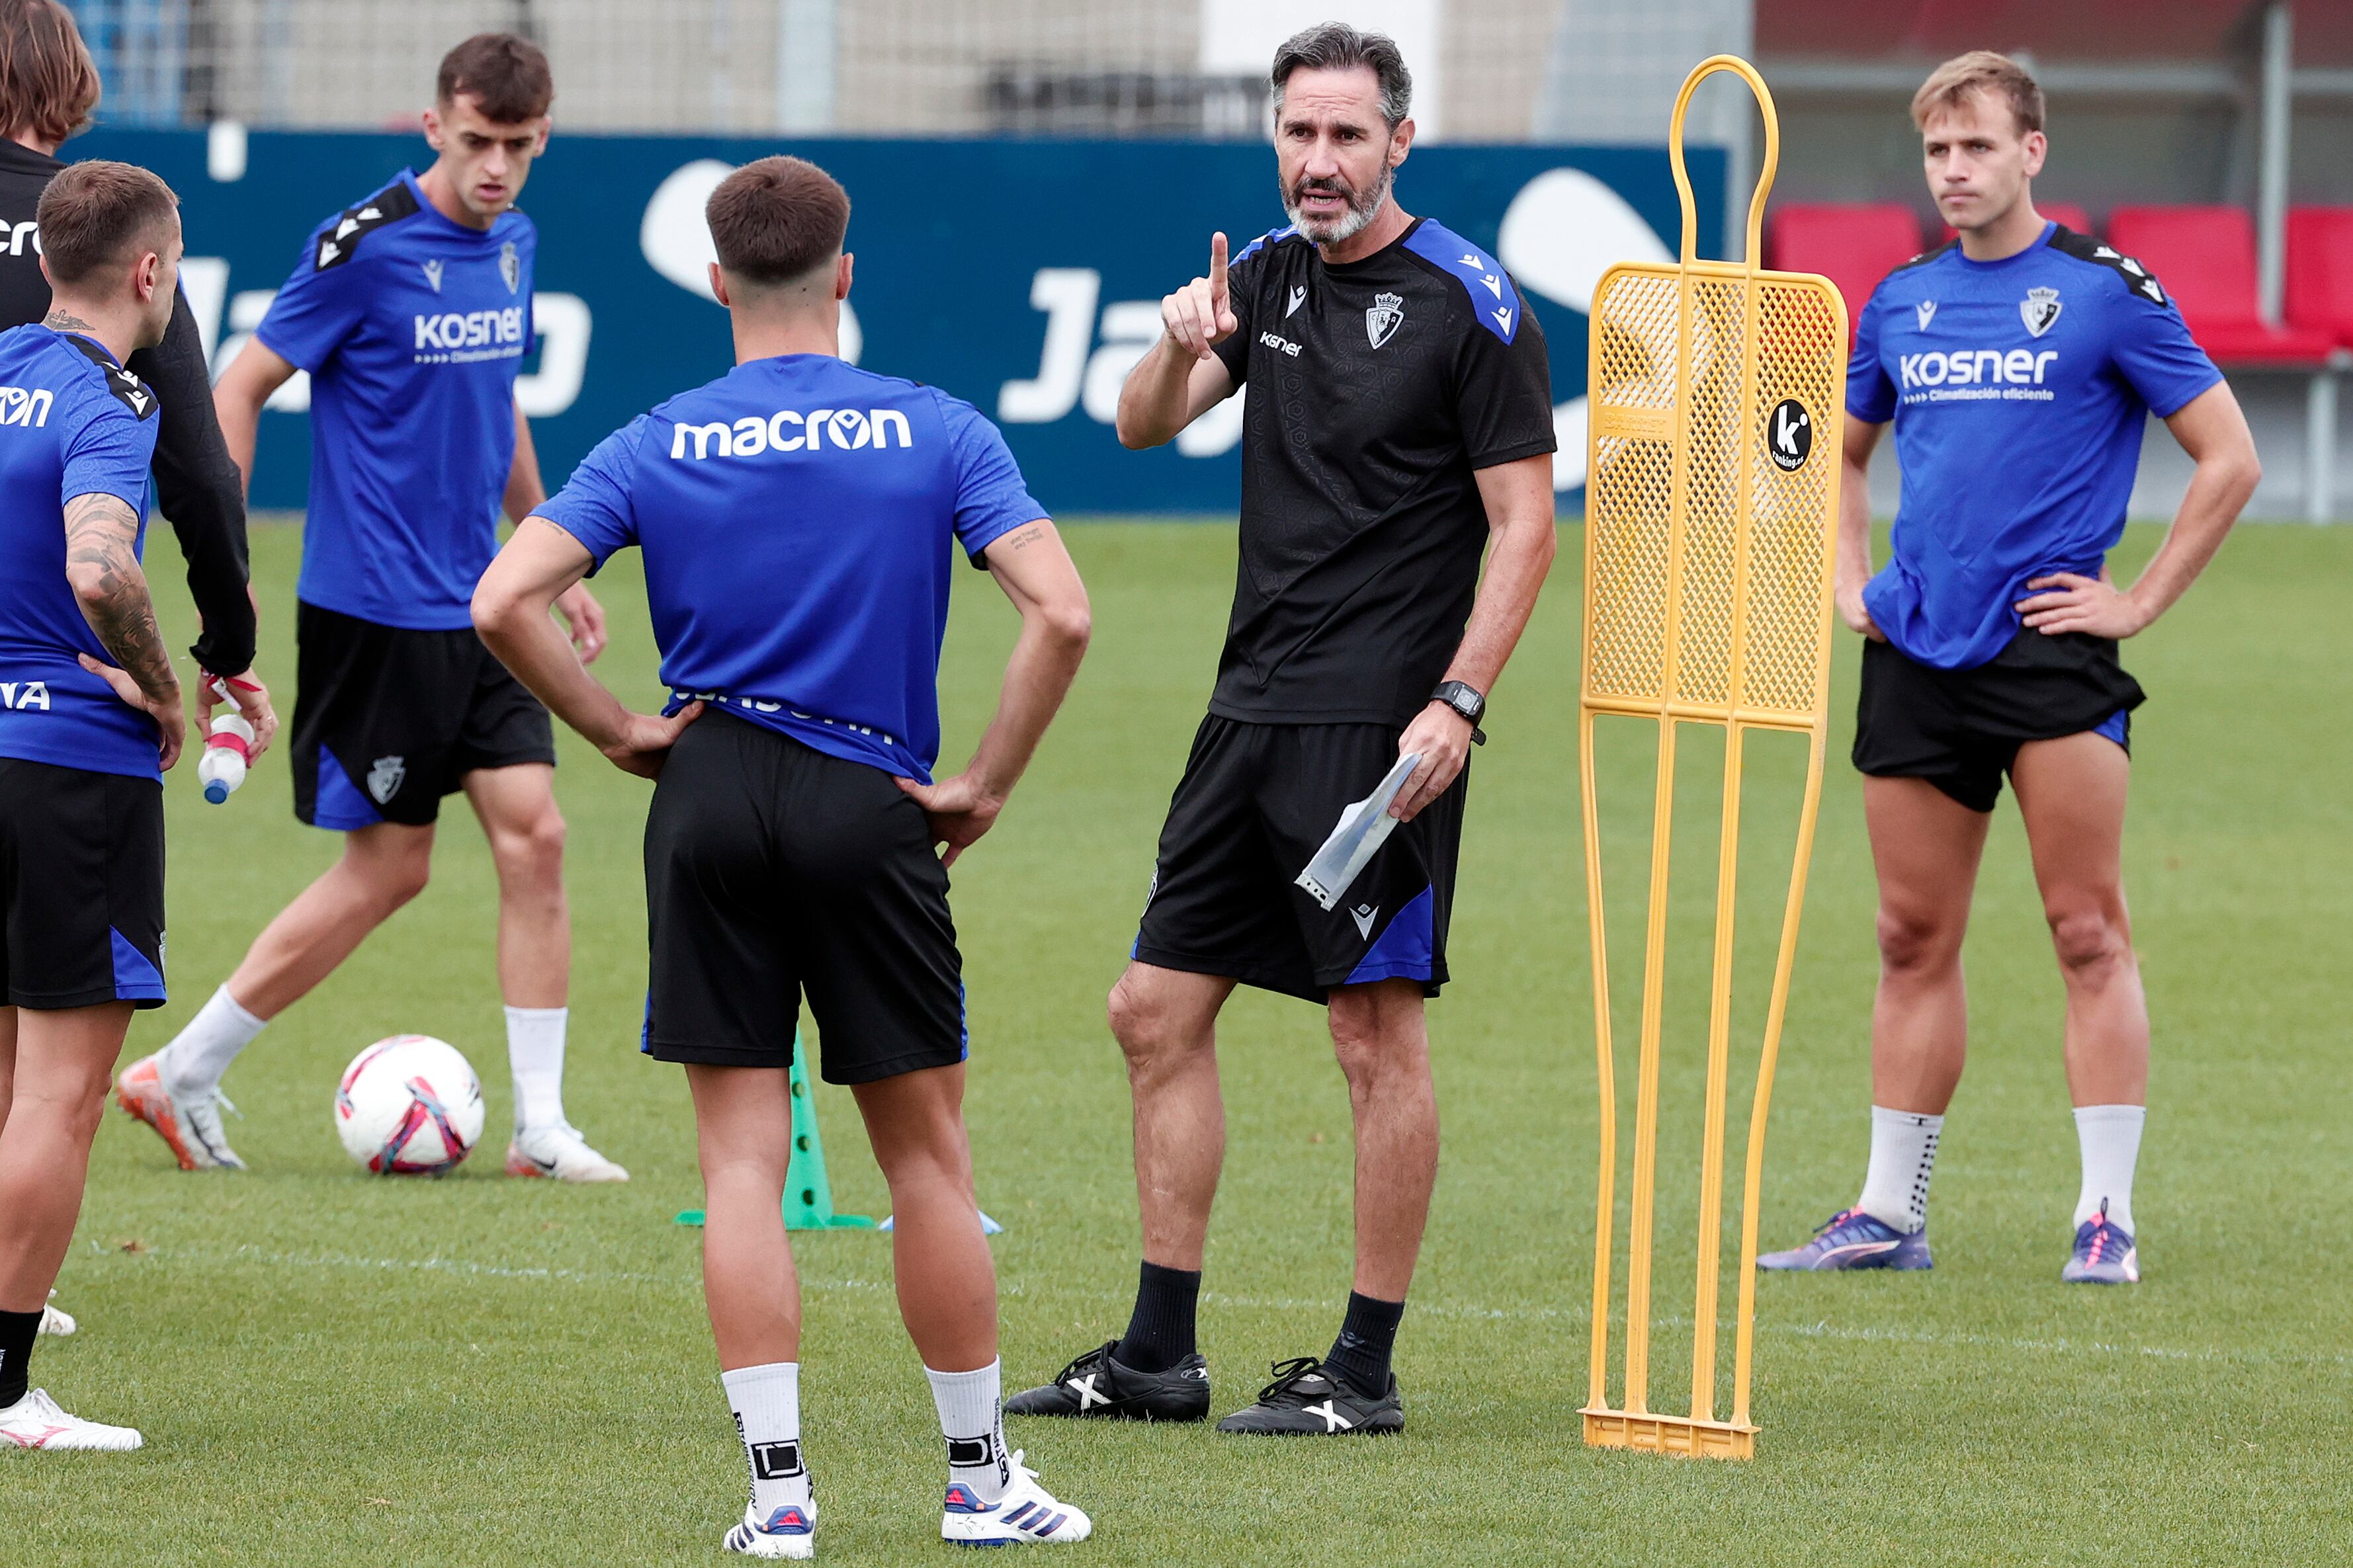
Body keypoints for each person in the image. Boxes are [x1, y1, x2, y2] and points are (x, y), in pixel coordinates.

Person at [474, 155, 1095, 1554]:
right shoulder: (939, 429)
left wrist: (621, 730)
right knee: (926, 1160)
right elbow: (1060, 616)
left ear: (715, 283)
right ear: (847, 274)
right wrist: (983, 785)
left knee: (740, 1162)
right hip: (868, 795)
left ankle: (778, 1497)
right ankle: (980, 1483)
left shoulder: (655, 438)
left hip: (706, 796)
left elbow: (505, 596)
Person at [1009, 22, 1556, 1436]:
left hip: (1376, 732)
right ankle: (1155, 1357)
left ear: (1400, 143)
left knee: (1374, 1039)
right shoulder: (1260, 275)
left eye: (1347, 136)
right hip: (1245, 709)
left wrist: (1459, 700)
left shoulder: (1470, 305)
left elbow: (1523, 526)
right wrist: (1175, 343)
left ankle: (1361, 1373)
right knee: (1152, 1010)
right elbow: (1140, 427)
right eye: (1299, 134)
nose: (1320, 162)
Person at [1756, 52, 2259, 1285]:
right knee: (1905, 934)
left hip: (2051, 654)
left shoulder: (2102, 292)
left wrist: (2133, 598)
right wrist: (1844, 576)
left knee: (2084, 930)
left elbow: (2229, 458)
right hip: (1917, 651)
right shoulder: (1899, 299)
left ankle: (2104, 1217)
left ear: (2032, 152)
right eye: (1937, 151)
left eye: (1977, 147)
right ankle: (1886, 1213)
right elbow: (1842, 453)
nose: (1954, 171)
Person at [114, 33, 626, 1181]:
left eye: (520, 147)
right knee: (390, 868)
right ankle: (181, 1070)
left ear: (542, 141)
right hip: (374, 612)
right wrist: (223, 560)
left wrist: (556, 554)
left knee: (536, 837)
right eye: (479, 141)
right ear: (435, 124)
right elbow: (237, 385)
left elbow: (500, 406)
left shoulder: (514, 244)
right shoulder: (363, 247)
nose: (496, 167)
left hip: (487, 601)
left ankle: (540, 1128)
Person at [0, 159, 189, 1450]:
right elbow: (100, 561)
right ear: (149, 272)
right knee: (57, 1094)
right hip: (69, 773)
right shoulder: (109, 398)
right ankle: (8, 1387)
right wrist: (160, 685)